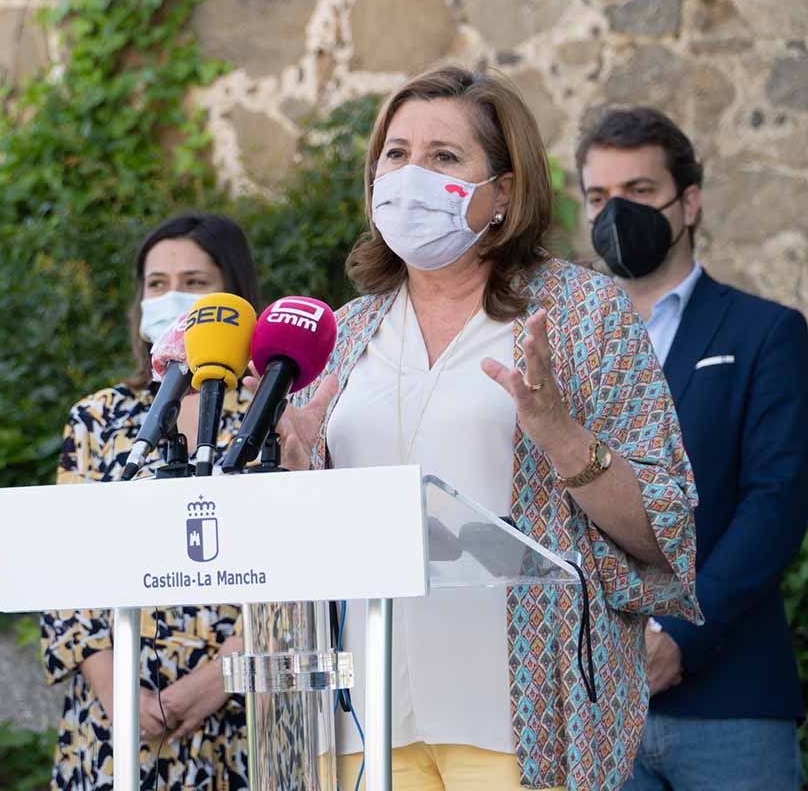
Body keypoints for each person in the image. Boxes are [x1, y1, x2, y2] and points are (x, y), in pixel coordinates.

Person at [270, 67, 701, 790]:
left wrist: (559, 434)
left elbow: (666, 533)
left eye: (444, 157)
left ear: (502, 192)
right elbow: (305, 540)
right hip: (361, 720)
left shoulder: (583, 316)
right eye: (396, 154)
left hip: (517, 715)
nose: (411, 176)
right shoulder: (340, 335)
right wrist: (293, 464)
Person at [577, 107, 808, 791]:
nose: (617, 213)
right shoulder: (565, 344)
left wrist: (683, 634)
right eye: (598, 198)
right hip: (598, 707)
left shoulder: (766, 332)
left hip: (729, 701)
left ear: (690, 202)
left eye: (640, 192)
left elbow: (777, 504)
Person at [39, 213, 260, 790]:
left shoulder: (277, 417)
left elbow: (305, 571)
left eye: (194, 282)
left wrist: (217, 680)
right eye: (157, 284)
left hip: (245, 710)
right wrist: (119, 694)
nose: (173, 298)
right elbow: (64, 572)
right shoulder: (97, 417)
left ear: (236, 296)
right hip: (117, 725)